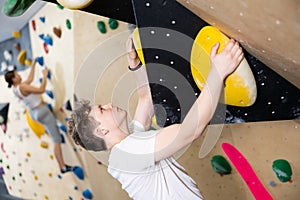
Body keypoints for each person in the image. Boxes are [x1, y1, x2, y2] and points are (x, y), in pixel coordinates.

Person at [68, 34, 244, 199]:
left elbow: (146, 99)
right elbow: (189, 131)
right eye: (102, 109)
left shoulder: (127, 149)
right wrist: (218, 72)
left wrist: (134, 62)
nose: (108, 105)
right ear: (103, 130)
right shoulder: (127, 153)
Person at [4, 59, 73, 174]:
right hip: (42, 112)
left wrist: (34, 64)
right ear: (13, 79)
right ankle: (62, 166)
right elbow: (41, 90)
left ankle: (62, 165)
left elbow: (30, 79)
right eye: (16, 75)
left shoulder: (16, 89)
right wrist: (45, 76)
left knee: (54, 135)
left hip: (35, 113)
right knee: (56, 140)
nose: (19, 75)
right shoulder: (22, 87)